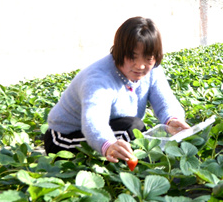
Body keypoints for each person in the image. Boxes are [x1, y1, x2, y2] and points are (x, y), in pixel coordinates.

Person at [44, 16, 190, 164]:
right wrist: (107, 144)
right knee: (132, 130)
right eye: (132, 57)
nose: (140, 66)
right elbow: (94, 121)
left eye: (148, 58)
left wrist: (172, 120)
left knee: (138, 132)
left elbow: (165, 101)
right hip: (64, 139)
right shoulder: (99, 78)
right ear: (119, 52)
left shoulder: (152, 70)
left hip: (113, 127)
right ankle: (145, 172)